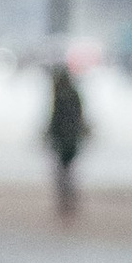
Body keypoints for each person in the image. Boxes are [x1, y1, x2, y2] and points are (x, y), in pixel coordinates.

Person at [45, 58, 89, 220]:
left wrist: (53, 134)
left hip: (65, 140)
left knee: (63, 172)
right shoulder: (71, 93)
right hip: (69, 139)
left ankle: (67, 201)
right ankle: (68, 200)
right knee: (66, 172)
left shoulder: (63, 96)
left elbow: (58, 119)